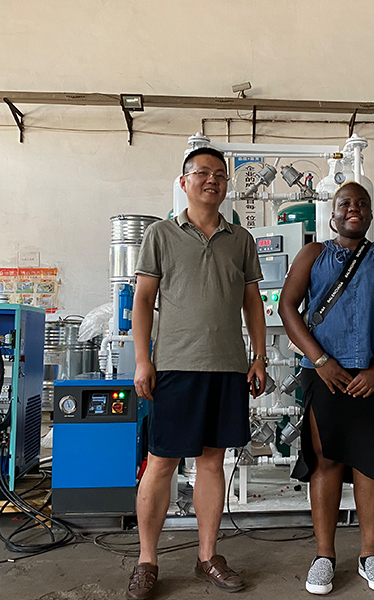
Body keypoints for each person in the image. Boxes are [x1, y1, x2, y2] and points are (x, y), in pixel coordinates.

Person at [127, 147, 268, 600]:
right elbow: (143, 300)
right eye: (202, 173)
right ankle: (147, 561)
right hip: (175, 367)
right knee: (162, 462)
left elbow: (252, 302)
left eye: (220, 174)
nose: (212, 180)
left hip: (227, 367)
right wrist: (143, 360)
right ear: (184, 181)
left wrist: (259, 356)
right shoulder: (161, 235)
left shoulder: (240, 239)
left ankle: (208, 556)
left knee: (212, 462)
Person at [279, 181, 374, 595]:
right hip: (324, 374)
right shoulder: (312, 254)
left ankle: (369, 554)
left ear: (371, 214)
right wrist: (320, 361)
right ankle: (324, 556)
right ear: (332, 216)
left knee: (369, 462)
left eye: (362, 203)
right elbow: (288, 307)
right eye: (345, 204)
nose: (353, 209)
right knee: (325, 461)